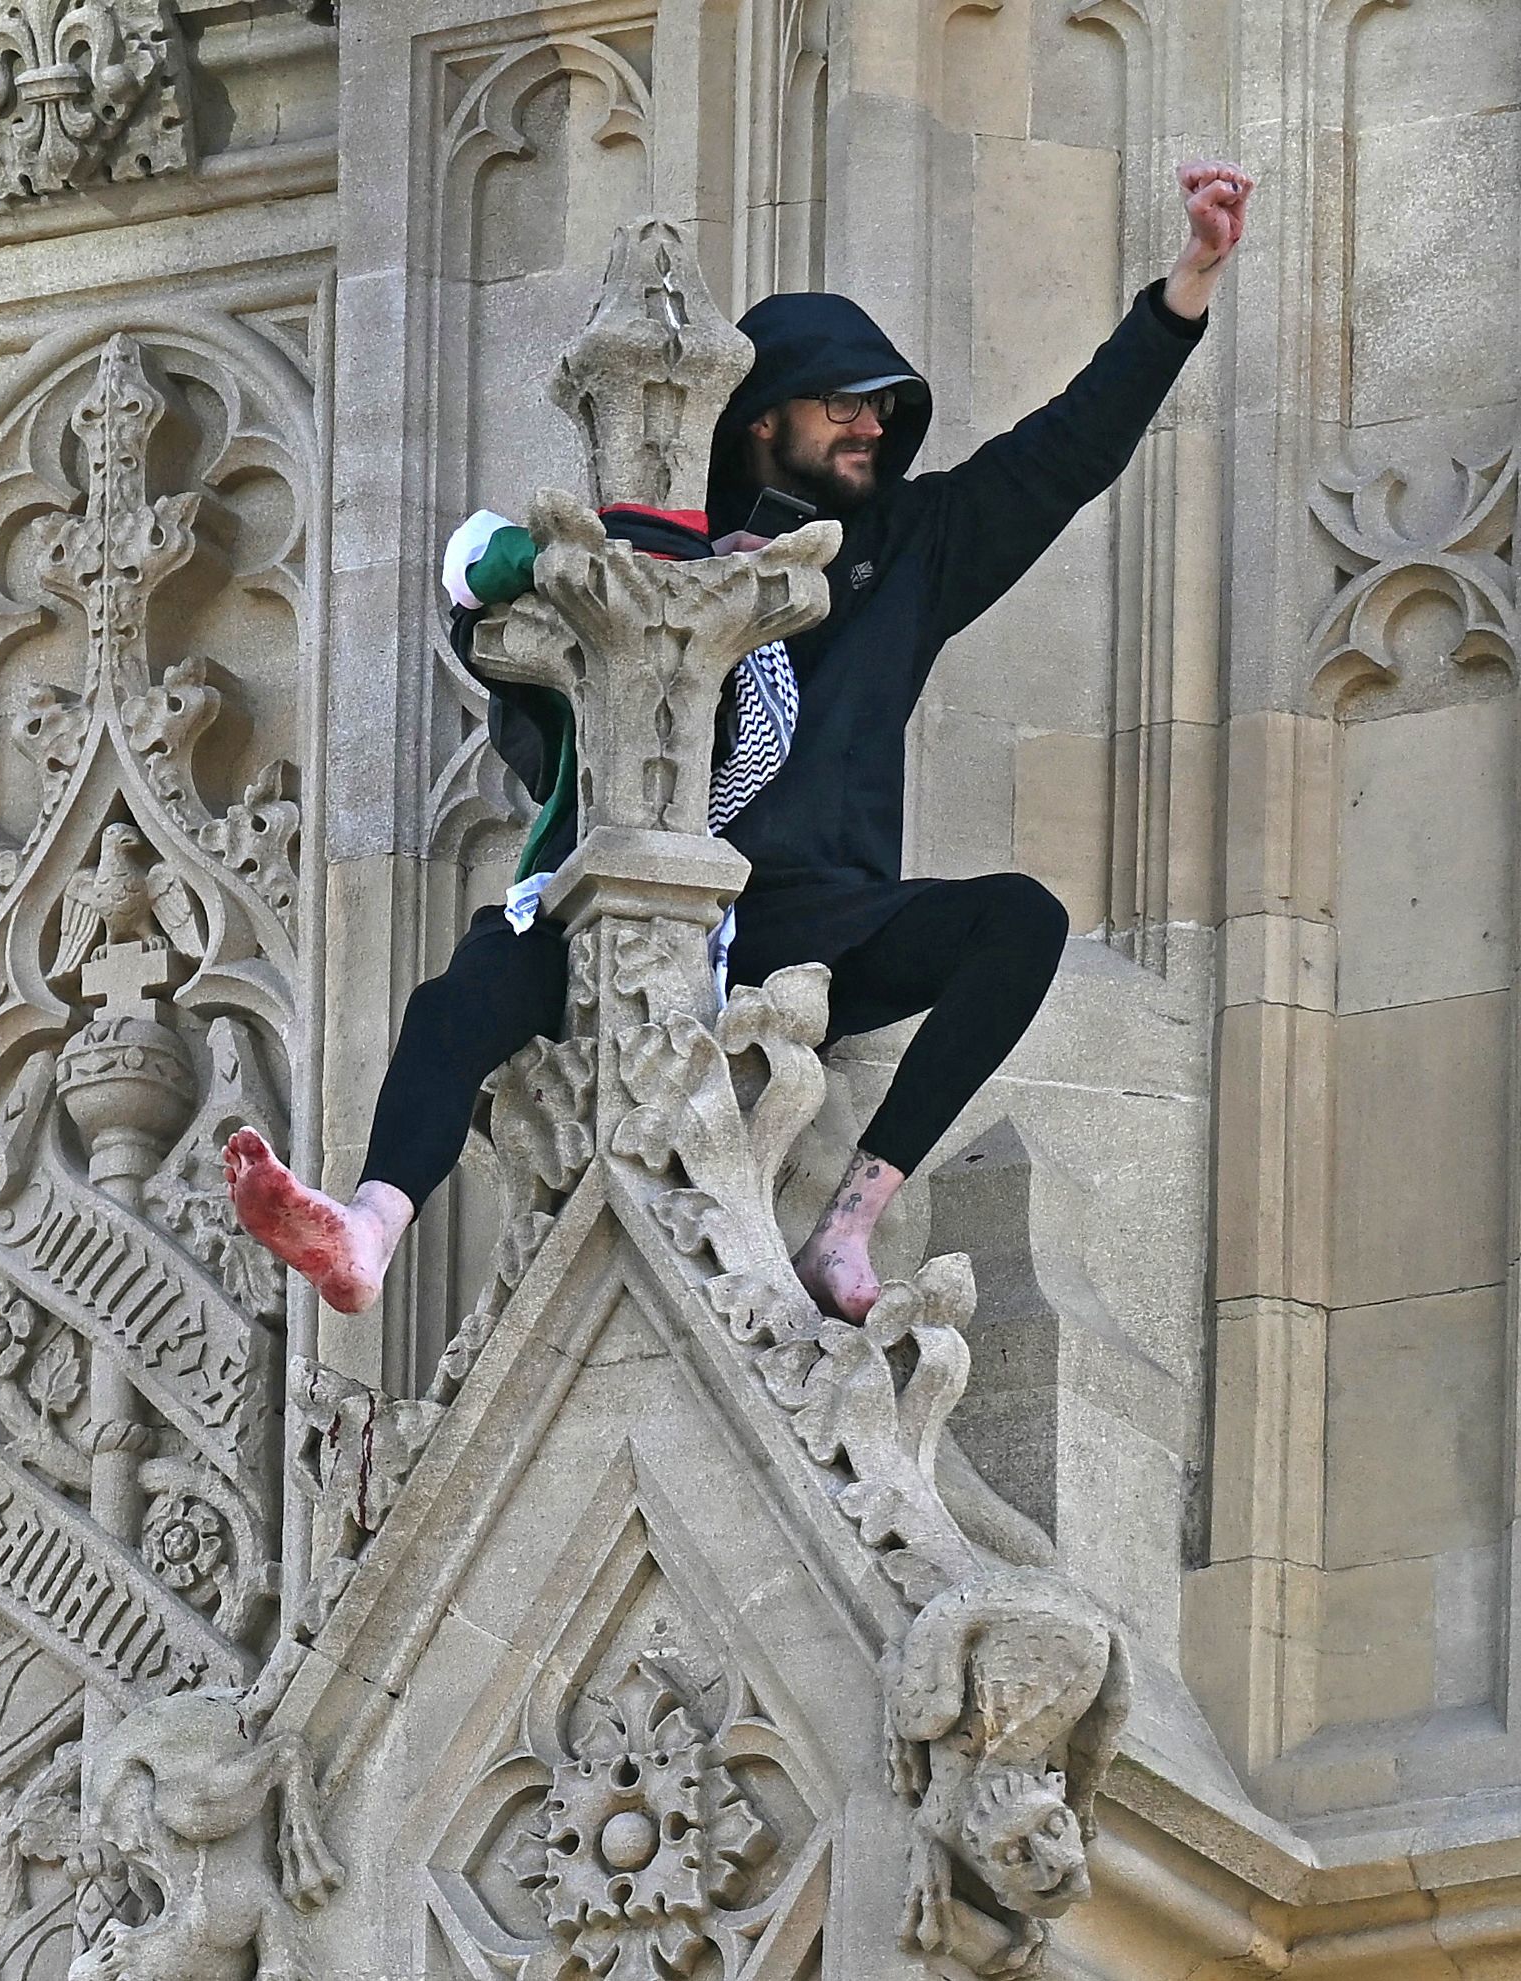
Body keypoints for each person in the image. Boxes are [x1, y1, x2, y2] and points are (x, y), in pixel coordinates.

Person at [228, 159, 1256, 1324]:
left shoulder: (902, 550)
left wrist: (1185, 285)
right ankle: (367, 1227)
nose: (873, 424)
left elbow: (1063, 454)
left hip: (807, 915)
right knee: (465, 992)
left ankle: (850, 1225)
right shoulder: (649, 549)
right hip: (629, 893)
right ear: (763, 418)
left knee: (1017, 921)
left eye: (883, 407)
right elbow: (488, 596)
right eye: (846, 404)